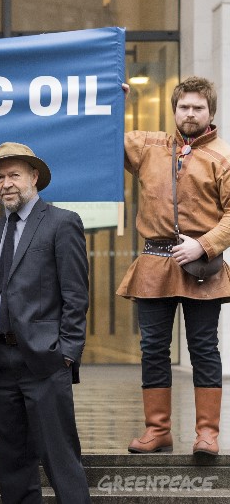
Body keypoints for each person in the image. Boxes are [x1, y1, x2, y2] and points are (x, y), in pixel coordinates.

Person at [0, 142, 90, 503]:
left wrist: (66, 353)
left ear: (34, 177)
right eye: (0, 177)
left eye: (14, 175)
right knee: (11, 466)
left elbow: (76, 295)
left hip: (44, 361)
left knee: (61, 461)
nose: (6, 183)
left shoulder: (61, 222)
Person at [118, 76, 230, 456]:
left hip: (202, 267)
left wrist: (204, 245)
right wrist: (116, 102)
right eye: (184, 107)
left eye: (198, 107)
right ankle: (157, 430)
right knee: (152, 348)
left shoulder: (224, 157)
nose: (191, 113)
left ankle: (207, 434)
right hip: (153, 261)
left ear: (210, 112)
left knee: (202, 348)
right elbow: (105, 138)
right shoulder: (148, 146)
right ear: (174, 111)